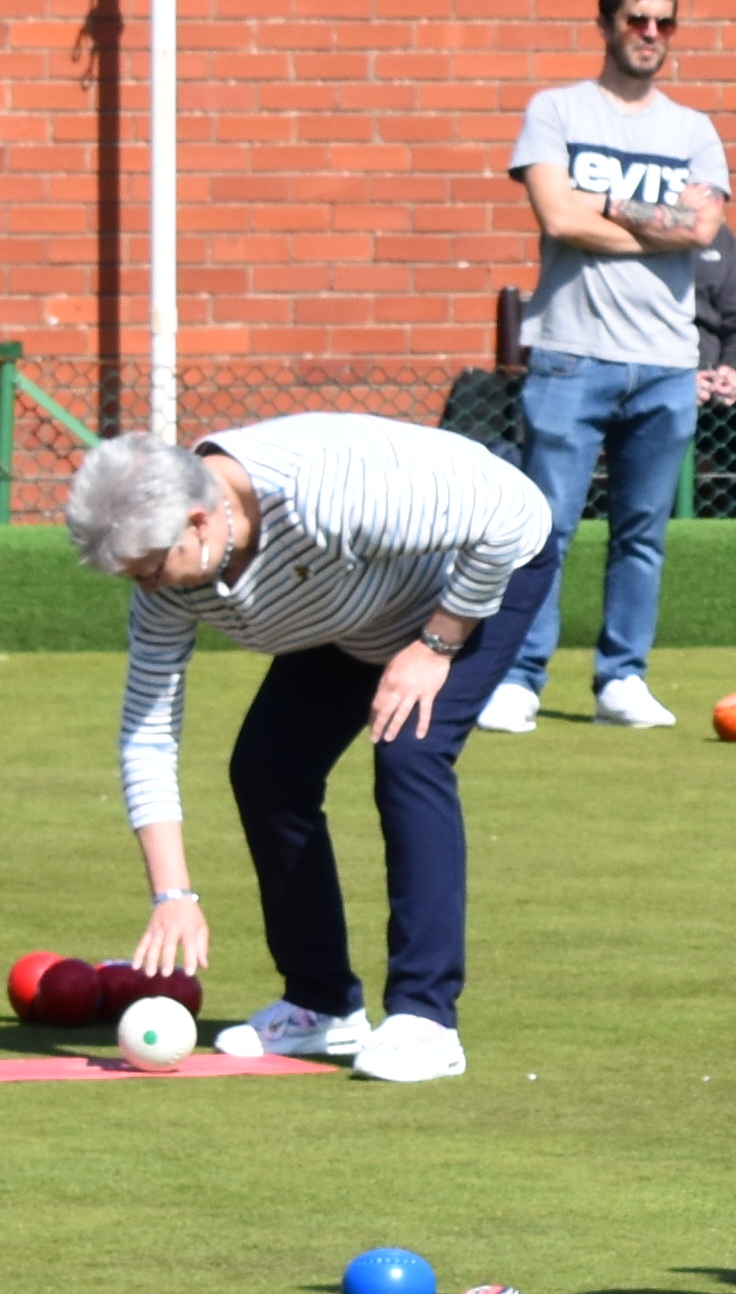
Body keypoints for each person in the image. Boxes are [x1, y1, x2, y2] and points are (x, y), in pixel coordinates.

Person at [66, 410, 558, 1084]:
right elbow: (147, 733)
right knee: (268, 770)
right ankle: (321, 1004)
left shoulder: (324, 490)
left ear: (199, 522)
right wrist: (172, 893)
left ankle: (426, 1020)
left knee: (410, 753)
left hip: (472, 581)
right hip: (352, 609)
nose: (150, 589)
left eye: (152, 569)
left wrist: (437, 644)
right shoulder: (171, 583)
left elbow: (511, 513)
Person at [493, 0, 728, 732]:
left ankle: (622, 679)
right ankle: (518, 679)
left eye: (665, 22)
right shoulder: (556, 112)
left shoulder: (693, 131)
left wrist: (603, 204)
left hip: (666, 362)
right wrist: (657, 226)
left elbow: (704, 227)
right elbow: (557, 219)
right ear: (606, 25)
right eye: (637, 20)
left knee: (642, 535)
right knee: (545, 529)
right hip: (571, 353)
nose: (651, 34)